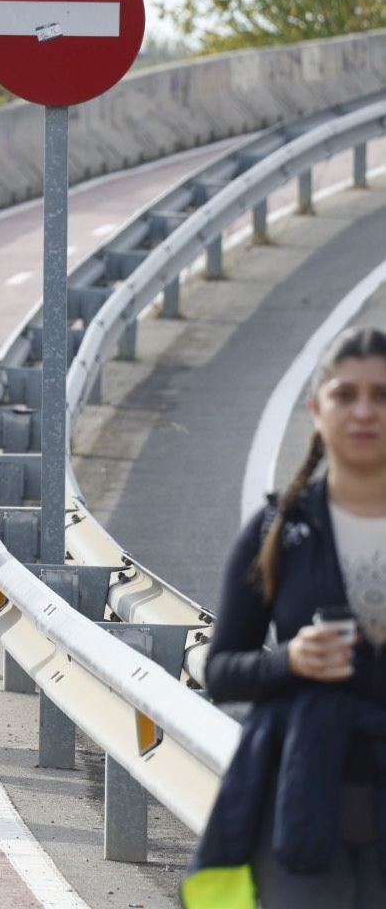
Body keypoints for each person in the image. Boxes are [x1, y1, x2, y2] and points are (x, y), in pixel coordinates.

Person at [186, 328, 386, 907]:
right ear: (317, 410)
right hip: (300, 807)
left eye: (382, 395)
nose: (365, 411)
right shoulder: (278, 531)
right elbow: (220, 671)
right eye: (346, 395)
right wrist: (290, 661)